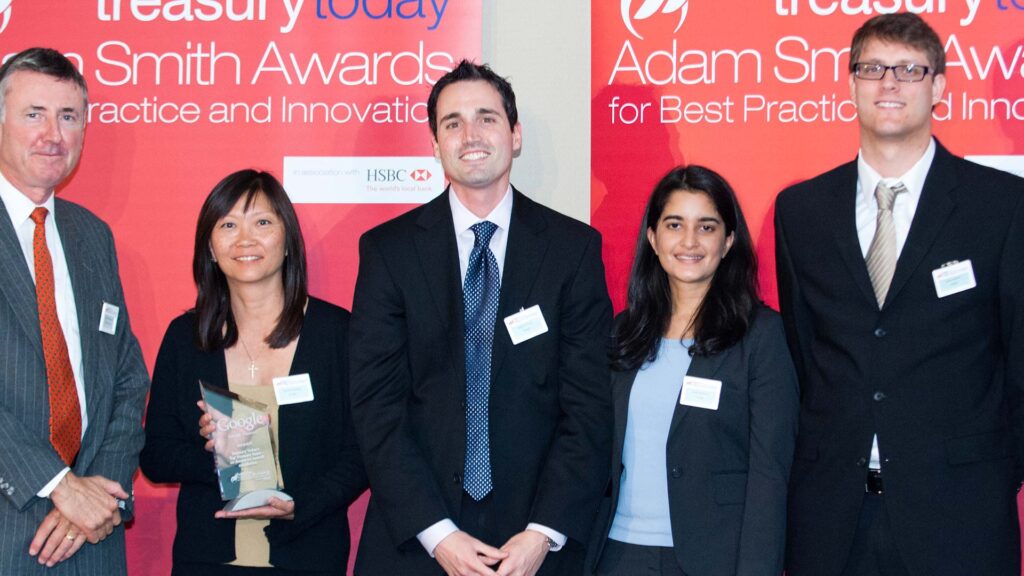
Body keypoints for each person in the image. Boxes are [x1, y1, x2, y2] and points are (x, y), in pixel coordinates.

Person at [775, 12, 1024, 576]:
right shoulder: (802, 212)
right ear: (851, 84)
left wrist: (985, 470)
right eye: (873, 68)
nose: (889, 83)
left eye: (909, 70)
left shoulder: (1002, 208)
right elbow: (804, 357)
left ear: (938, 86)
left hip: (960, 514)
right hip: (832, 518)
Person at [349, 60, 613, 576]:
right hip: (417, 542)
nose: (470, 134)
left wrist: (543, 534)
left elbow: (589, 407)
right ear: (435, 144)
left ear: (515, 136)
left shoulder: (572, 250)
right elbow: (376, 408)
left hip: (535, 546)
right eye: (452, 123)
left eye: (486, 118)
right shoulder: (389, 252)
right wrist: (438, 535)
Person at [139, 169, 367, 575]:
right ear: (209, 247)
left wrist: (300, 507)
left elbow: (363, 453)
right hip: (206, 558)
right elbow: (155, 455)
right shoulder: (185, 337)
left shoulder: (337, 333)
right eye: (228, 225)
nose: (245, 239)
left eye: (262, 222)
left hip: (307, 555)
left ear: (287, 240)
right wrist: (220, 458)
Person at [587, 165, 798, 576]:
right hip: (618, 554)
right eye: (674, 224)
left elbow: (769, 475)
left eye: (706, 227)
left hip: (715, 558)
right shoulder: (623, 332)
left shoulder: (761, 337)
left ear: (729, 240)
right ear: (652, 237)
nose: (689, 241)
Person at [0, 47, 150, 574]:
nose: (53, 135)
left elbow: (128, 377)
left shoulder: (91, 236)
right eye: (34, 114)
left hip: (92, 537)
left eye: (68, 117)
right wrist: (58, 484)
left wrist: (97, 495)